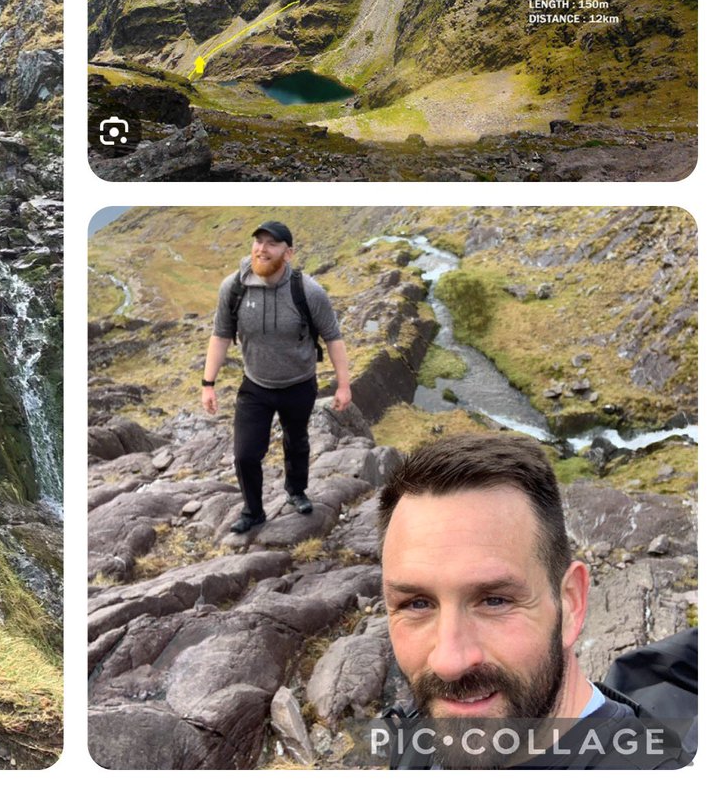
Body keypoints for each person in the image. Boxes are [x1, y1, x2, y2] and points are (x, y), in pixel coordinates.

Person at [375, 433, 690, 769]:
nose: (449, 663)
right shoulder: (418, 730)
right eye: (417, 604)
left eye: (494, 600)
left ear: (570, 603)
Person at [201, 220, 351, 534]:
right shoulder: (234, 287)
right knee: (245, 454)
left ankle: (296, 491)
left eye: (272, 244)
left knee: (296, 442)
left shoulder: (307, 291)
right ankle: (253, 511)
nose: (262, 249)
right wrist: (208, 383)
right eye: (258, 242)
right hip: (255, 385)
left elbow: (333, 338)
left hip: (299, 383)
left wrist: (343, 385)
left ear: (288, 252)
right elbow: (220, 335)